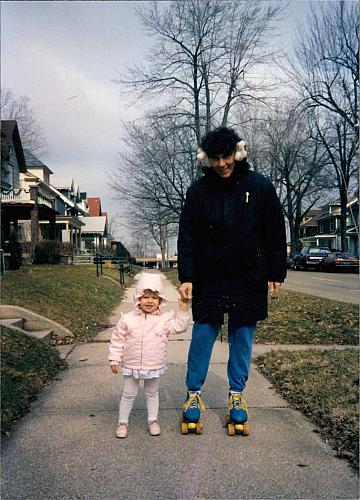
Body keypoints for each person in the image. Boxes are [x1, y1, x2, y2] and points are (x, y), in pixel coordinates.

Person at [177, 127, 287, 429]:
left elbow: (275, 231)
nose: (222, 163)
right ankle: (193, 395)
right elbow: (187, 236)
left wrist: (276, 271)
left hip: (248, 276)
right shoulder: (198, 192)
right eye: (215, 158)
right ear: (207, 159)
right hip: (209, 276)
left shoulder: (260, 187)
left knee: (242, 337)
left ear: (237, 153)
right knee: (202, 334)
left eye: (226, 156)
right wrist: (187, 275)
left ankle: (237, 395)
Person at [109, 272, 190, 438]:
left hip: (153, 364)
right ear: (138, 298)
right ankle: (122, 422)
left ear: (160, 301)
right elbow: (118, 340)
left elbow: (180, 327)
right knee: (128, 393)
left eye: (154, 297)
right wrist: (115, 358)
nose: (149, 301)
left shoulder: (165, 320)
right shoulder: (127, 319)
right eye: (145, 297)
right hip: (131, 365)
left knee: (152, 393)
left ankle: (153, 420)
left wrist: (183, 308)